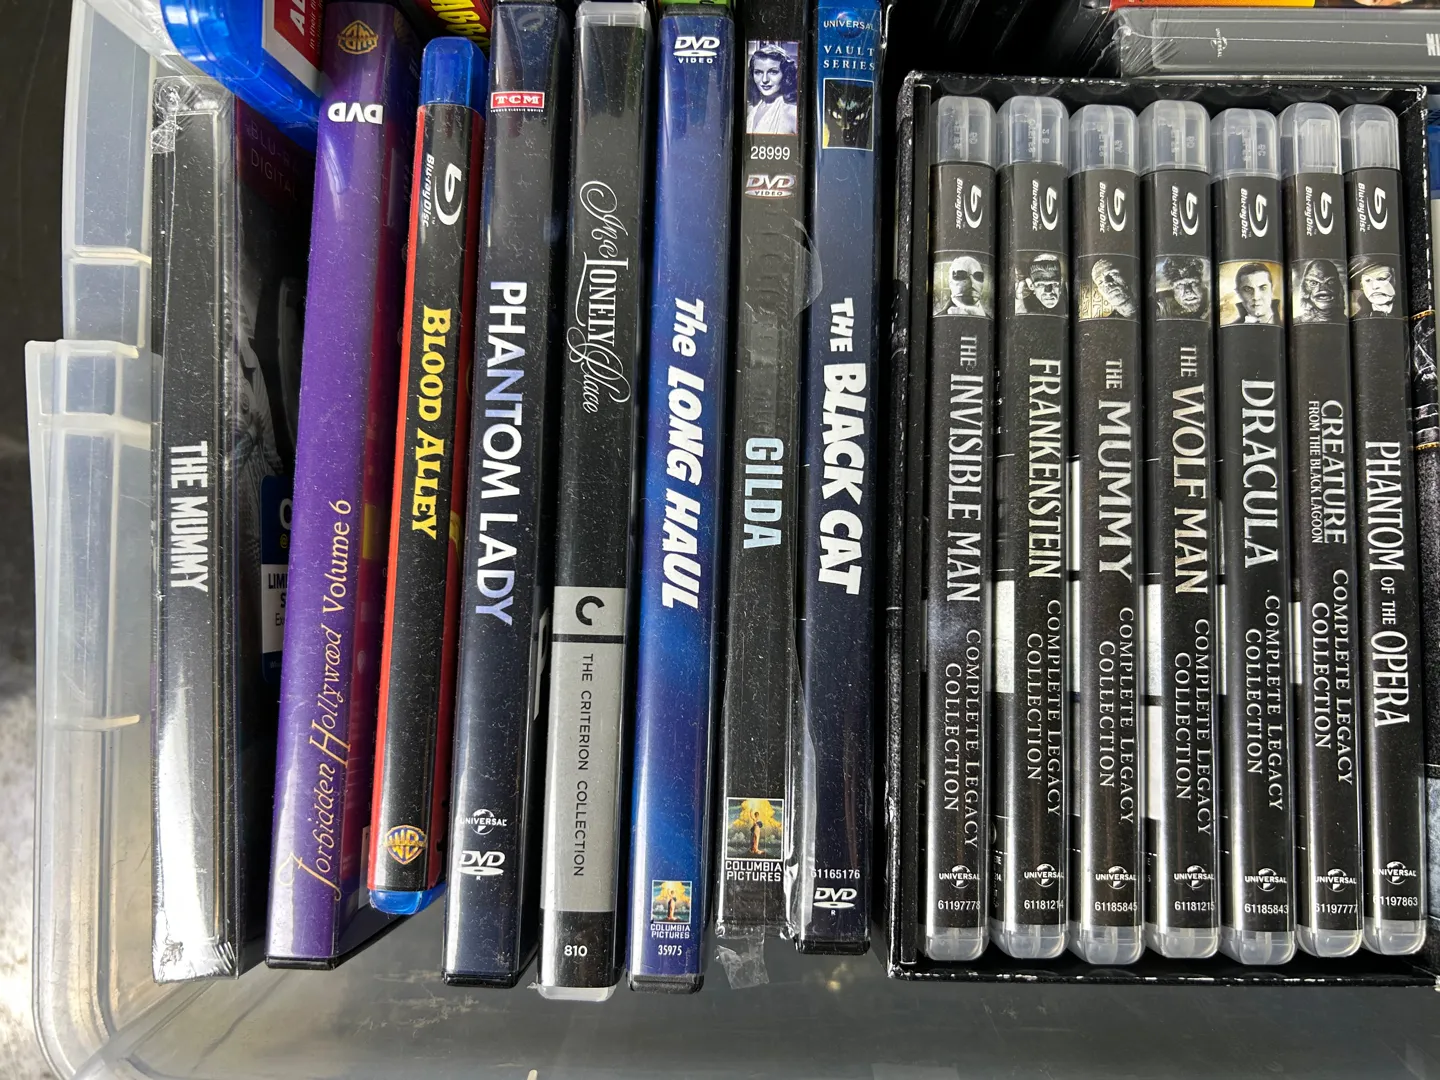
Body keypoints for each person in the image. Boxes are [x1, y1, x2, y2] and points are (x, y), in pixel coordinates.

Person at [746, 43, 798, 136]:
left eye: (773, 72)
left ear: (785, 74)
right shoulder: (752, 108)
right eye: (758, 72)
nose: (764, 80)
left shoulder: (792, 112)